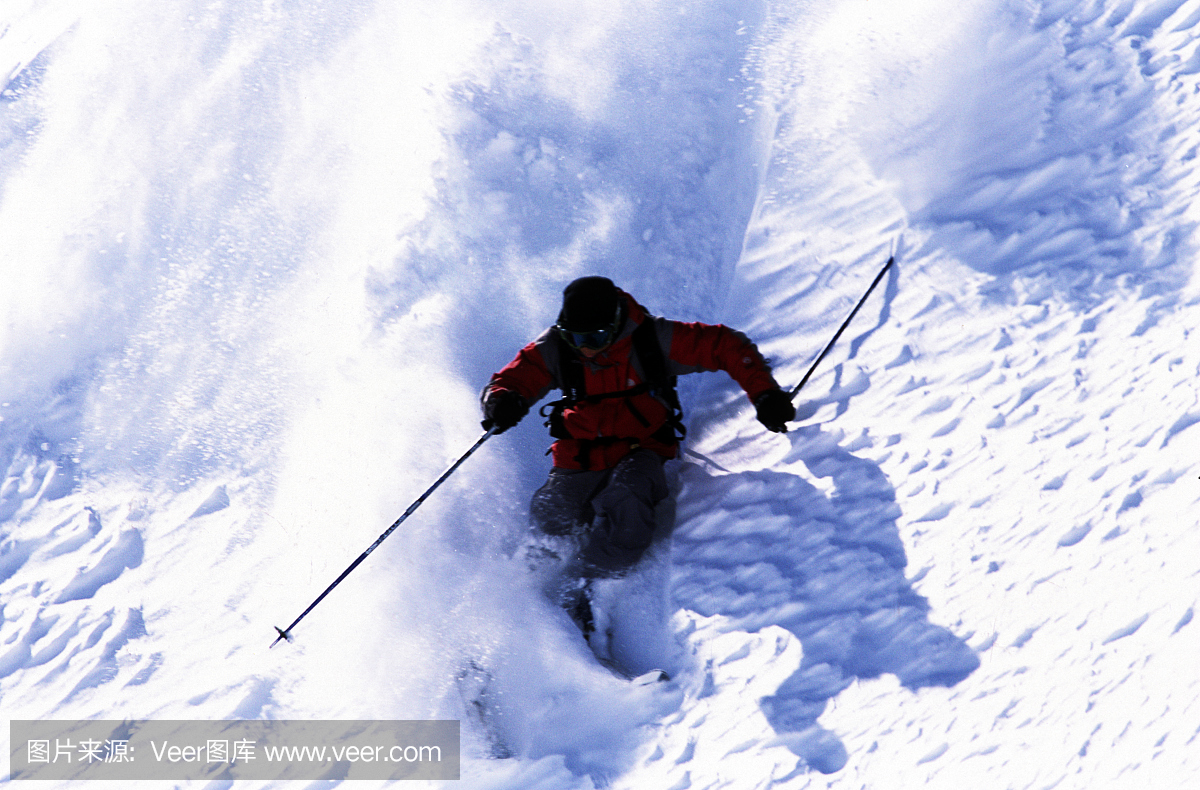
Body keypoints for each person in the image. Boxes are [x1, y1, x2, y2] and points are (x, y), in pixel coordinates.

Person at [480, 276, 795, 652]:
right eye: (576, 338)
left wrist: (764, 394)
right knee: (554, 508)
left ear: (615, 323)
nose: (586, 348)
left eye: (595, 337)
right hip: (581, 450)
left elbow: (725, 345)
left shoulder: (651, 340)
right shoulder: (558, 347)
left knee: (628, 497)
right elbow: (511, 379)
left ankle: (591, 585)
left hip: (642, 446)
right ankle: (528, 582)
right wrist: (502, 401)